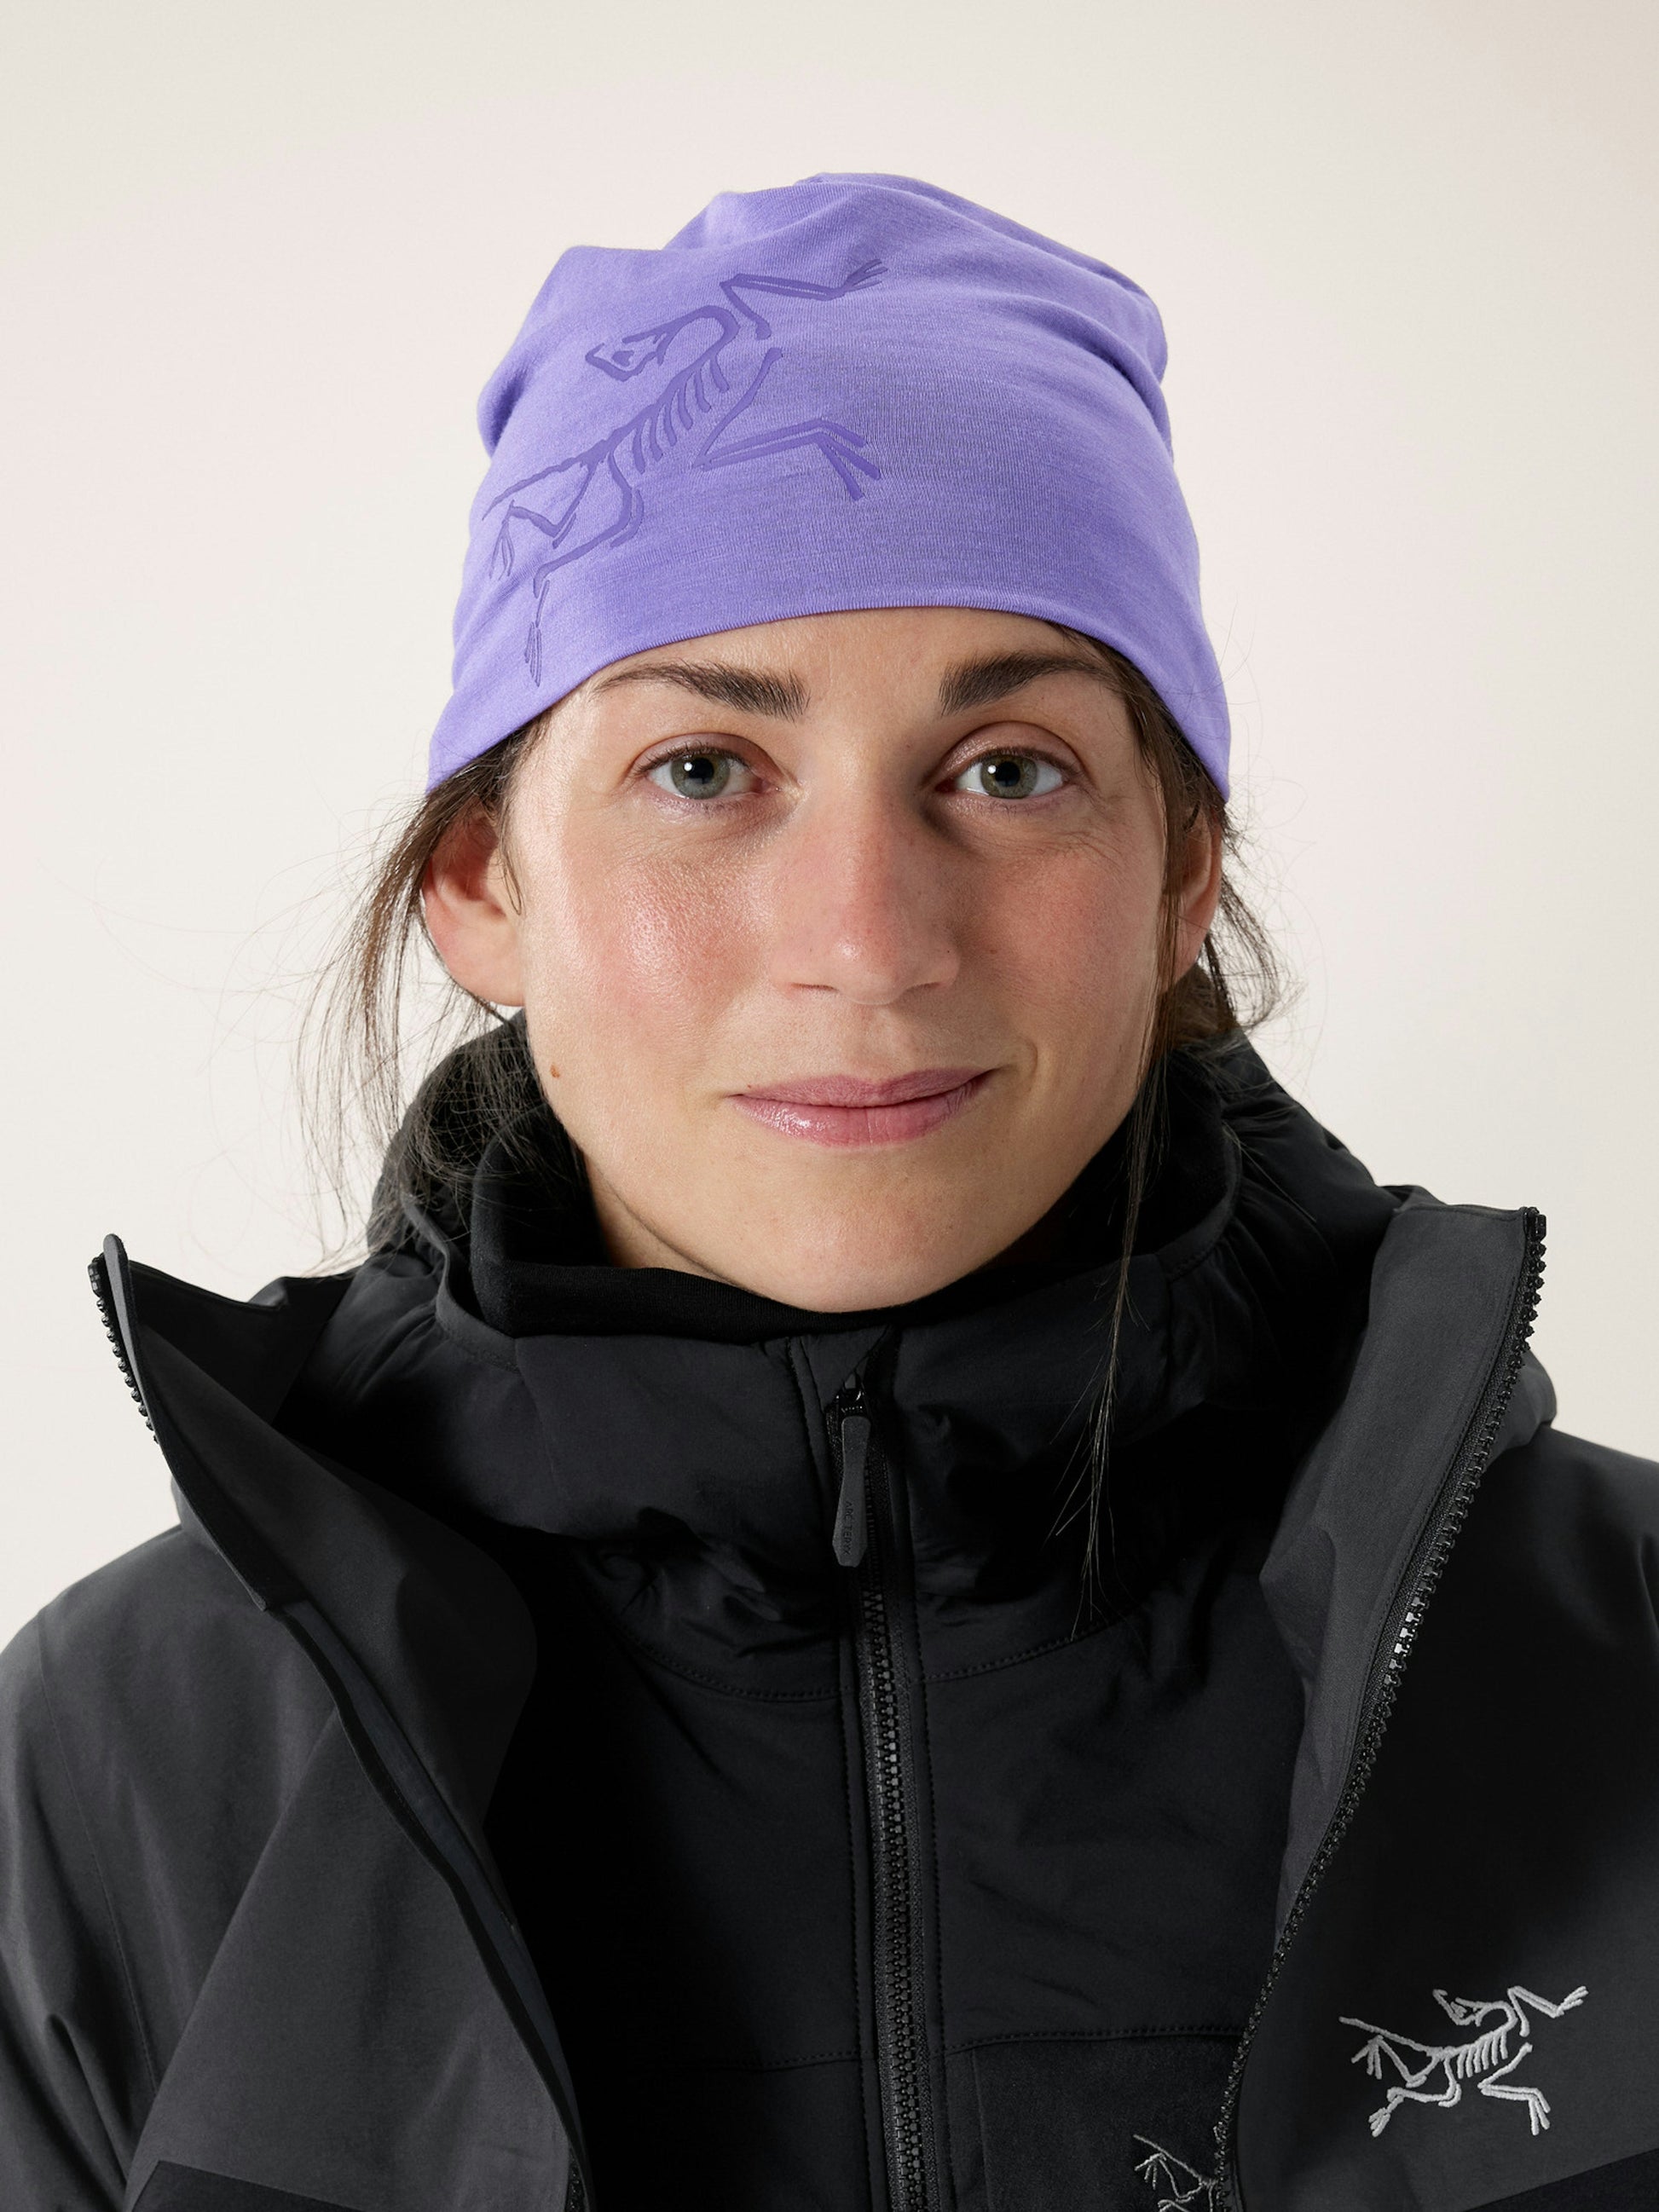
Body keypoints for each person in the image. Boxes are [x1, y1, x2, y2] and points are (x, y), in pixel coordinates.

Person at [1, 174, 1653, 2212]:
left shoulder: (1616, 1660)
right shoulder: (126, 1763)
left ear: (1178, 875)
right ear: (486, 883)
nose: (868, 941)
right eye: (704, 769)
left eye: (1009, 767)